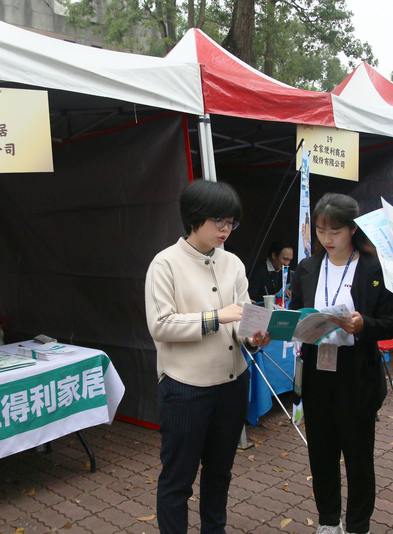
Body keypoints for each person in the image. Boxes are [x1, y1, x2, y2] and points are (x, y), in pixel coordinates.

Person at [144, 179, 270, 534]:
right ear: (194, 218)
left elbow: (243, 319)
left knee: (219, 474)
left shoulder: (233, 263)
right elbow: (161, 325)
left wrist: (256, 337)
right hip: (186, 387)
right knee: (177, 480)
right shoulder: (165, 264)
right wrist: (217, 316)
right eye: (220, 222)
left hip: (232, 382)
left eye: (232, 222)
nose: (226, 230)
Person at [289, 193, 393, 534]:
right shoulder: (308, 267)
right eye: (321, 230)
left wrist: (362, 324)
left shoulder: (372, 267)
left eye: (335, 230)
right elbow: (294, 311)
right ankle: (328, 520)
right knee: (321, 452)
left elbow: (390, 322)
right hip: (317, 370)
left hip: (356, 371)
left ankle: (357, 524)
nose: (327, 238)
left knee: (358, 454)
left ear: (352, 229)